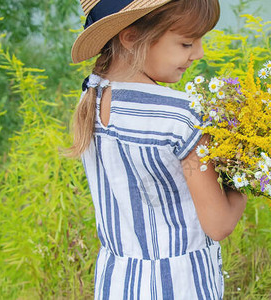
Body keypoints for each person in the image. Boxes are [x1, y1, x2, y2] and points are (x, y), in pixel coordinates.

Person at [67, 0, 248, 299]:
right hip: (180, 285)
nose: (199, 53)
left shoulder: (91, 98)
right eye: (187, 42)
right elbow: (219, 224)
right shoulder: (181, 117)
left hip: (117, 283)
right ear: (131, 37)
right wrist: (250, 173)